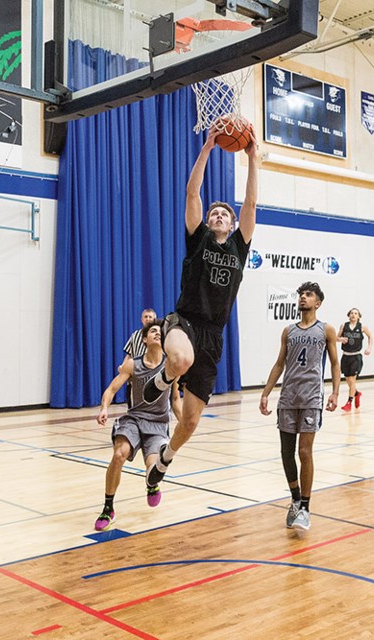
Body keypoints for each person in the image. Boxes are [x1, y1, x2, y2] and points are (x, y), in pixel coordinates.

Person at [144, 121, 260, 487]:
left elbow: (252, 202)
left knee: (190, 421)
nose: (218, 215)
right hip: (185, 321)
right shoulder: (198, 240)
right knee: (180, 359)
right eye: (215, 213)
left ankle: (163, 461)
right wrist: (208, 148)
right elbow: (192, 194)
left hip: (214, 333)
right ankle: (160, 383)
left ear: (233, 222)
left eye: (224, 213)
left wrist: (253, 157)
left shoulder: (240, 245)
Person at [260, 282, 341, 532]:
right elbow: (279, 364)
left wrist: (336, 393)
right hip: (288, 397)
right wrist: (265, 393)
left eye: (308, 295)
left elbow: (336, 364)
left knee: (304, 452)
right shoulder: (288, 331)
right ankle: (295, 499)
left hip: (311, 398)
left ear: (318, 303)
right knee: (286, 453)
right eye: (301, 295)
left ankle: (305, 507)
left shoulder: (326, 330)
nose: (303, 298)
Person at [93, 320, 181, 531]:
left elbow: (175, 399)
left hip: (158, 424)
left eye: (160, 332)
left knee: (154, 468)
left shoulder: (171, 366)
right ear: (144, 339)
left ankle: (152, 485)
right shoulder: (133, 364)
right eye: (152, 331)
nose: (157, 334)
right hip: (134, 420)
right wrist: (104, 407)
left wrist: (186, 421)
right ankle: (108, 508)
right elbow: (111, 389)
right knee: (118, 455)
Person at [338, 308, 373, 412]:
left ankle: (349, 402)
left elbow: (370, 337)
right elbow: (336, 337)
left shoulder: (362, 327)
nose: (353, 315)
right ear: (349, 315)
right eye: (351, 313)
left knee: (352, 380)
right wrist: (340, 339)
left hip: (356, 357)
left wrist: (369, 348)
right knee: (348, 380)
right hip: (345, 356)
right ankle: (357, 393)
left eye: (355, 313)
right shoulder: (343, 326)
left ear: (359, 316)